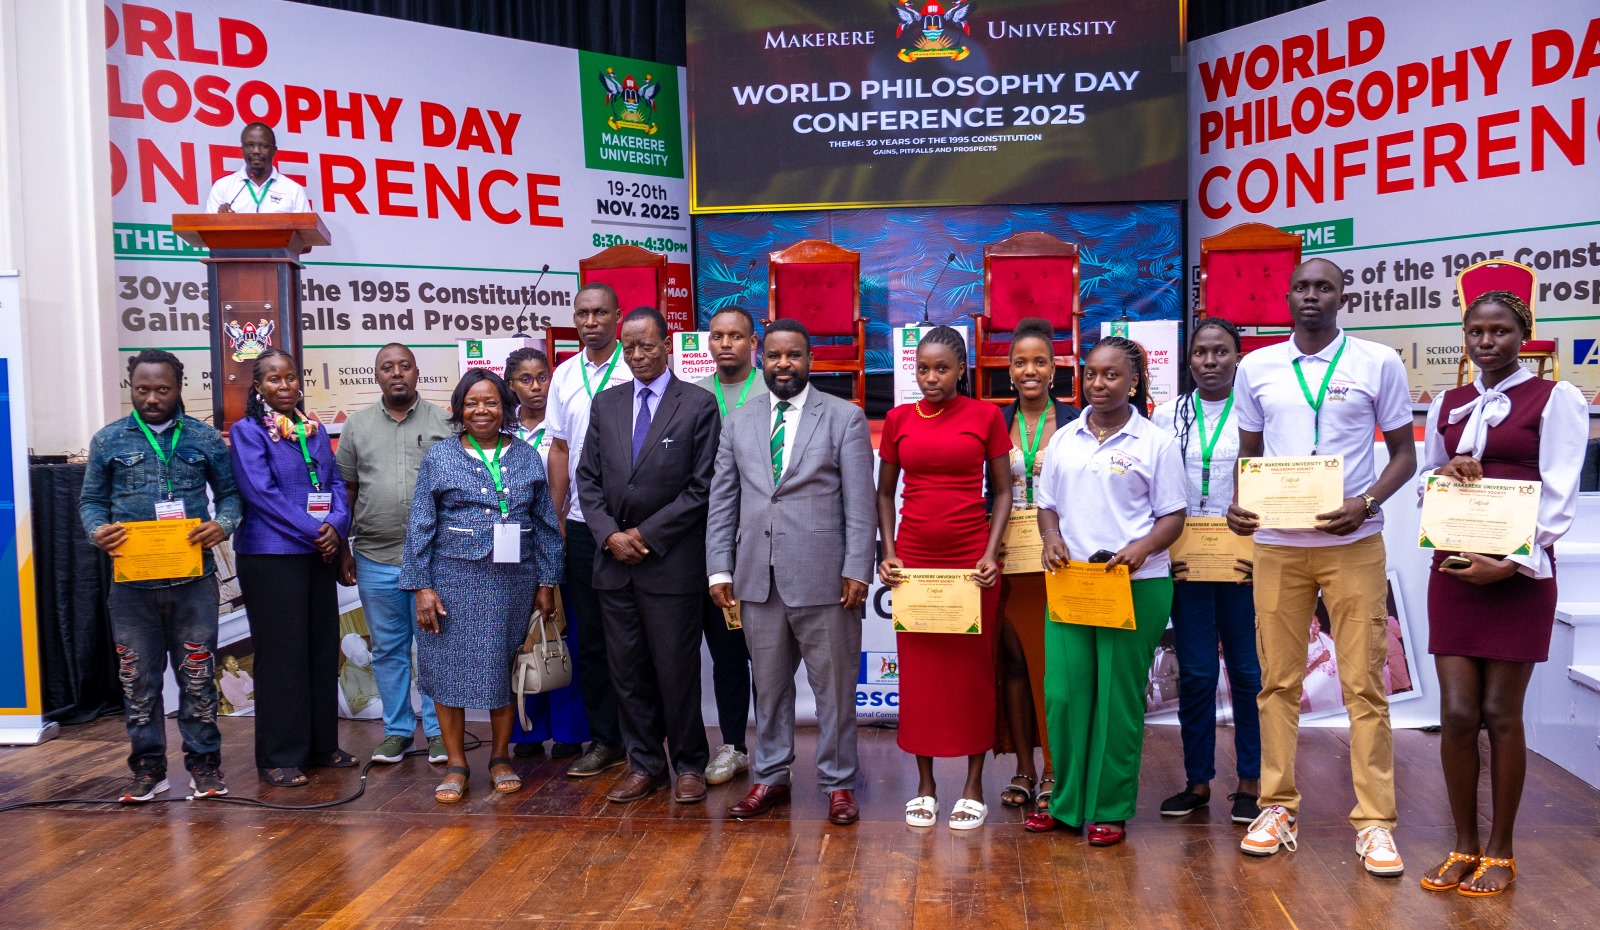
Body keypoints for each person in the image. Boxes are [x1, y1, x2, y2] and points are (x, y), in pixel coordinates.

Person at [1227, 258, 1418, 875]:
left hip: (1353, 542)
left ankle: (1376, 824)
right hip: (1279, 545)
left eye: (1324, 288)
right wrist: (1239, 505)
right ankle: (1276, 806)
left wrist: (1365, 502)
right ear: (1287, 297)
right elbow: (1248, 456)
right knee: (1277, 683)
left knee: (1364, 683)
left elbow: (1404, 455)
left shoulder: (1377, 362)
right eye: (1303, 288)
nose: (1312, 296)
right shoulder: (1256, 366)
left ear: (1342, 297)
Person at [1415, 290, 1586, 897]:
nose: (1487, 342)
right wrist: (1447, 470)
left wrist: (1512, 563)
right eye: (1476, 332)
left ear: (1524, 334)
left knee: (1499, 714)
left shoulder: (1554, 398)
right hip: (1457, 568)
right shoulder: (1449, 402)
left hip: (1518, 575)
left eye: (1500, 331)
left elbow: (1561, 492)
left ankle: (1501, 850)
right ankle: (1462, 843)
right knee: (1458, 714)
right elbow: (1426, 484)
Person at [706, 318, 876, 825]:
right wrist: (719, 568)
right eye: (775, 355)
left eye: (794, 355)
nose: (784, 364)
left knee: (834, 692)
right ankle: (770, 777)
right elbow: (723, 499)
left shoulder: (844, 418)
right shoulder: (740, 419)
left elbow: (860, 504)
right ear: (763, 359)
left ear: (809, 360)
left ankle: (838, 784)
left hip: (825, 579)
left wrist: (857, 570)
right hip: (757, 579)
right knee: (771, 688)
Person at [1030, 336, 1186, 844]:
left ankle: (1110, 807)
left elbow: (1172, 516)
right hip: (1072, 582)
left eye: (1112, 375)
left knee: (1117, 700)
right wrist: (1051, 537)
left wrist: (1141, 549)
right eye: (1091, 374)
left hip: (1134, 584)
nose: (1098, 384)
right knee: (1064, 696)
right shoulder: (1063, 439)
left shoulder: (1155, 442)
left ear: (1134, 381)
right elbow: (1047, 503)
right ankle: (1066, 803)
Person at [81, 349, 243, 802]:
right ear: (131, 388)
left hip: (193, 581)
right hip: (132, 585)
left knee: (196, 675)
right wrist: (97, 531)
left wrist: (221, 525)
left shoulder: (204, 439)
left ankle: (204, 766)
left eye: (162, 389)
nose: (152, 398)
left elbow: (231, 496)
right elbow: (91, 501)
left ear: (179, 388)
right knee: (137, 680)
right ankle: (148, 769)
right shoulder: (108, 440)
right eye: (142, 389)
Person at [576, 306, 721, 804]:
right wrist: (609, 536)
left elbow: (703, 488)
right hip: (613, 564)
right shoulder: (607, 403)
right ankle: (644, 764)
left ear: (667, 346)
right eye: (631, 347)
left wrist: (645, 534)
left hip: (670, 563)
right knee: (627, 670)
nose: (638, 355)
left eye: (648, 345)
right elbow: (587, 480)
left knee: (676, 669)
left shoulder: (698, 405)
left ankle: (688, 764)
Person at [399, 369, 564, 803]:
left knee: (502, 668)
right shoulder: (441, 457)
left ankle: (499, 757)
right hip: (451, 581)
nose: (481, 410)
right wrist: (421, 587)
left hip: (514, 582)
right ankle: (456, 764)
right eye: (472, 403)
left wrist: (548, 581)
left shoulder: (526, 455)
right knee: (447, 668)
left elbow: (546, 522)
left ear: (504, 408)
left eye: (490, 402)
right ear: (459, 410)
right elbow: (420, 525)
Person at [877, 325, 1010, 830]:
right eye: (922, 369)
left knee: (973, 671)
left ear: (961, 370)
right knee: (921, 677)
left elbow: (1001, 493)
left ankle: (974, 785)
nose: (931, 378)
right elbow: (884, 493)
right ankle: (926, 786)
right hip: (914, 562)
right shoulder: (897, 419)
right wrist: (889, 554)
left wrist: (991, 553)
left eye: (942, 369)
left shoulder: (986, 416)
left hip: (971, 564)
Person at [1149, 318, 1263, 825]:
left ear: (1238, 357)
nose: (1210, 361)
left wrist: (1262, 552)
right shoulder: (1168, 415)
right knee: (1195, 674)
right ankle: (1197, 782)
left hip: (1244, 559)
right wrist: (1165, 552)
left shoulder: (1256, 411)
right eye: (1200, 353)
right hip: (1188, 562)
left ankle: (1250, 784)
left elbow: (1275, 479)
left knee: (1247, 673)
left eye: (1220, 352)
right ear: (1188, 358)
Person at [229, 348, 352, 788]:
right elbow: (260, 493)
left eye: (290, 378)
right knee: (282, 656)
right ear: (258, 387)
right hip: (271, 556)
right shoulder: (247, 432)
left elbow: (335, 483)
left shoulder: (313, 429)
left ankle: (321, 746)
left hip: (317, 554)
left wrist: (336, 525)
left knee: (321, 648)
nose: (284, 386)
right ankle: (278, 756)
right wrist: (315, 530)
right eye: (274, 380)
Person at [335, 343, 453, 766]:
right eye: (388, 367)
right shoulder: (357, 425)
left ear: (418, 372)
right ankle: (398, 731)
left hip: (436, 559)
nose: (397, 373)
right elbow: (346, 490)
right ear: (377, 376)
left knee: (435, 647)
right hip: (373, 555)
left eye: (405, 366)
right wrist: (343, 548)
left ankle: (441, 734)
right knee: (388, 649)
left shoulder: (444, 422)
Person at [545, 283, 633, 778]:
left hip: (636, 526)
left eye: (601, 312)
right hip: (582, 527)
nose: (591, 321)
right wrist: (557, 519)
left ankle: (646, 739)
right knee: (594, 638)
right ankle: (606, 740)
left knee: (641, 638)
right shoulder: (563, 375)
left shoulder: (635, 366)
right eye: (582, 313)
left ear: (617, 316)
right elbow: (559, 449)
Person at [993, 317, 1078, 822]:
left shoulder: (1075, 421)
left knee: (1055, 671)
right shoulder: (993, 423)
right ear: (1009, 371)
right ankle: (1024, 767)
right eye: (1021, 362)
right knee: (1015, 665)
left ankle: (1055, 770)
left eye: (1040, 361)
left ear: (1054, 368)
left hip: (1056, 559)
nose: (1030, 370)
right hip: (1008, 562)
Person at [504, 346, 588, 760]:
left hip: (559, 537)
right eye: (525, 379)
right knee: (523, 637)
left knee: (561, 629)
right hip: (512, 550)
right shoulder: (500, 431)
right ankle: (527, 733)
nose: (536, 387)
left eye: (543, 377)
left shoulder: (564, 427)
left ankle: (572, 732)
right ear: (510, 385)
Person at [693, 306, 765, 785]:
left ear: (752, 342)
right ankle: (735, 745)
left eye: (735, 336)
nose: (725, 345)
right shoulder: (694, 395)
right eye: (717, 336)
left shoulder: (772, 391)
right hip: (711, 543)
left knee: (773, 655)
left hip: (761, 542)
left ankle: (777, 753)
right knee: (727, 653)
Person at [205, 122, 309, 214]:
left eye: (263, 146)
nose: (256, 151)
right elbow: (208, 232)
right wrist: (222, 221)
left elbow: (306, 232)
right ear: (242, 149)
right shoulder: (222, 187)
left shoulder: (293, 190)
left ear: (274, 151)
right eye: (250, 145)